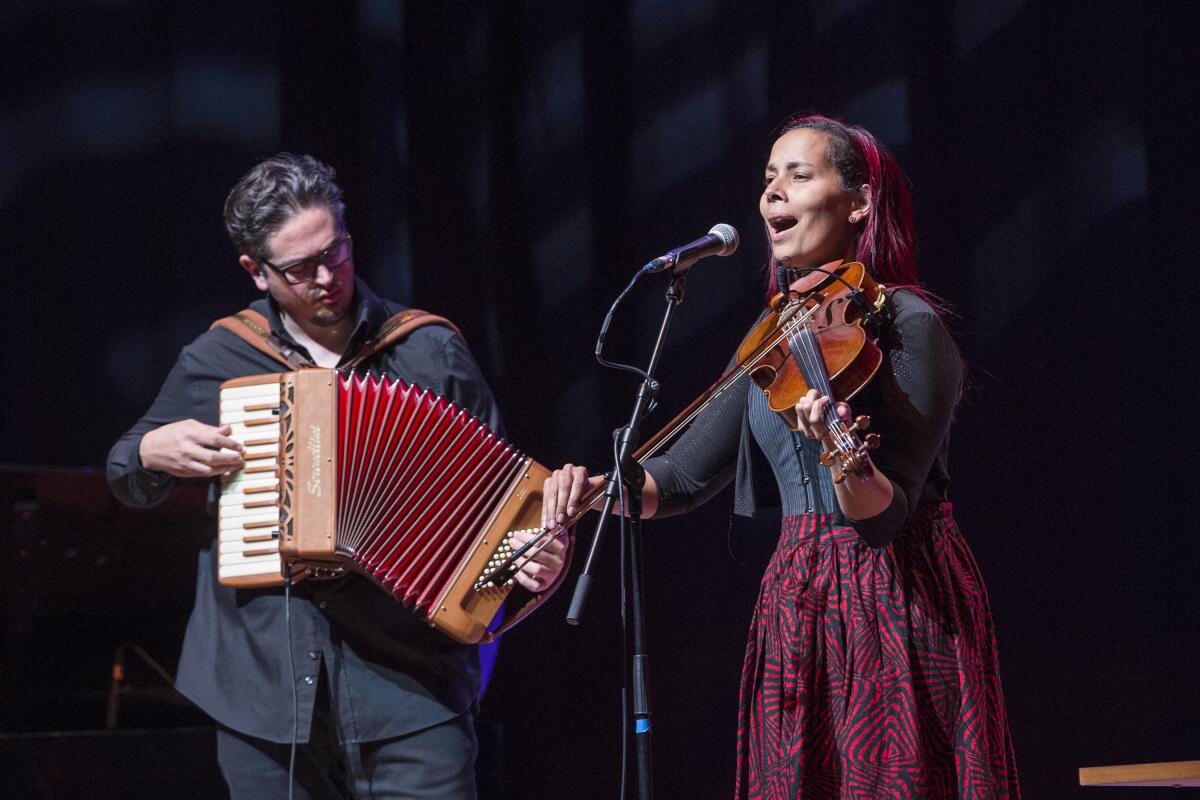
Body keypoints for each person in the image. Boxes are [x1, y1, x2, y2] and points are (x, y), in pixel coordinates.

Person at [543, 116, 1020, 799]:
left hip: (898, 599)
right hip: (798, 604)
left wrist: (839, 451)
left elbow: (885, 520)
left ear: (858, 202)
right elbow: (676, 479)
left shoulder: (908, 324)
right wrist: (597, 489)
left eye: (799, 176)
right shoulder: (773, 334)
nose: (774, 195)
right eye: (769, 180)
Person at [108, 153, 564, 799]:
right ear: (256, 272)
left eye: (337, 250)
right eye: (300, 268)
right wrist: (154, 448)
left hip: (411, 689)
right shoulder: (221, 358)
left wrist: (529, 553)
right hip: (260, 695)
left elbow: (508, 502)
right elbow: (125, 468)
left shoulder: (428, 350)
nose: (327, 277)